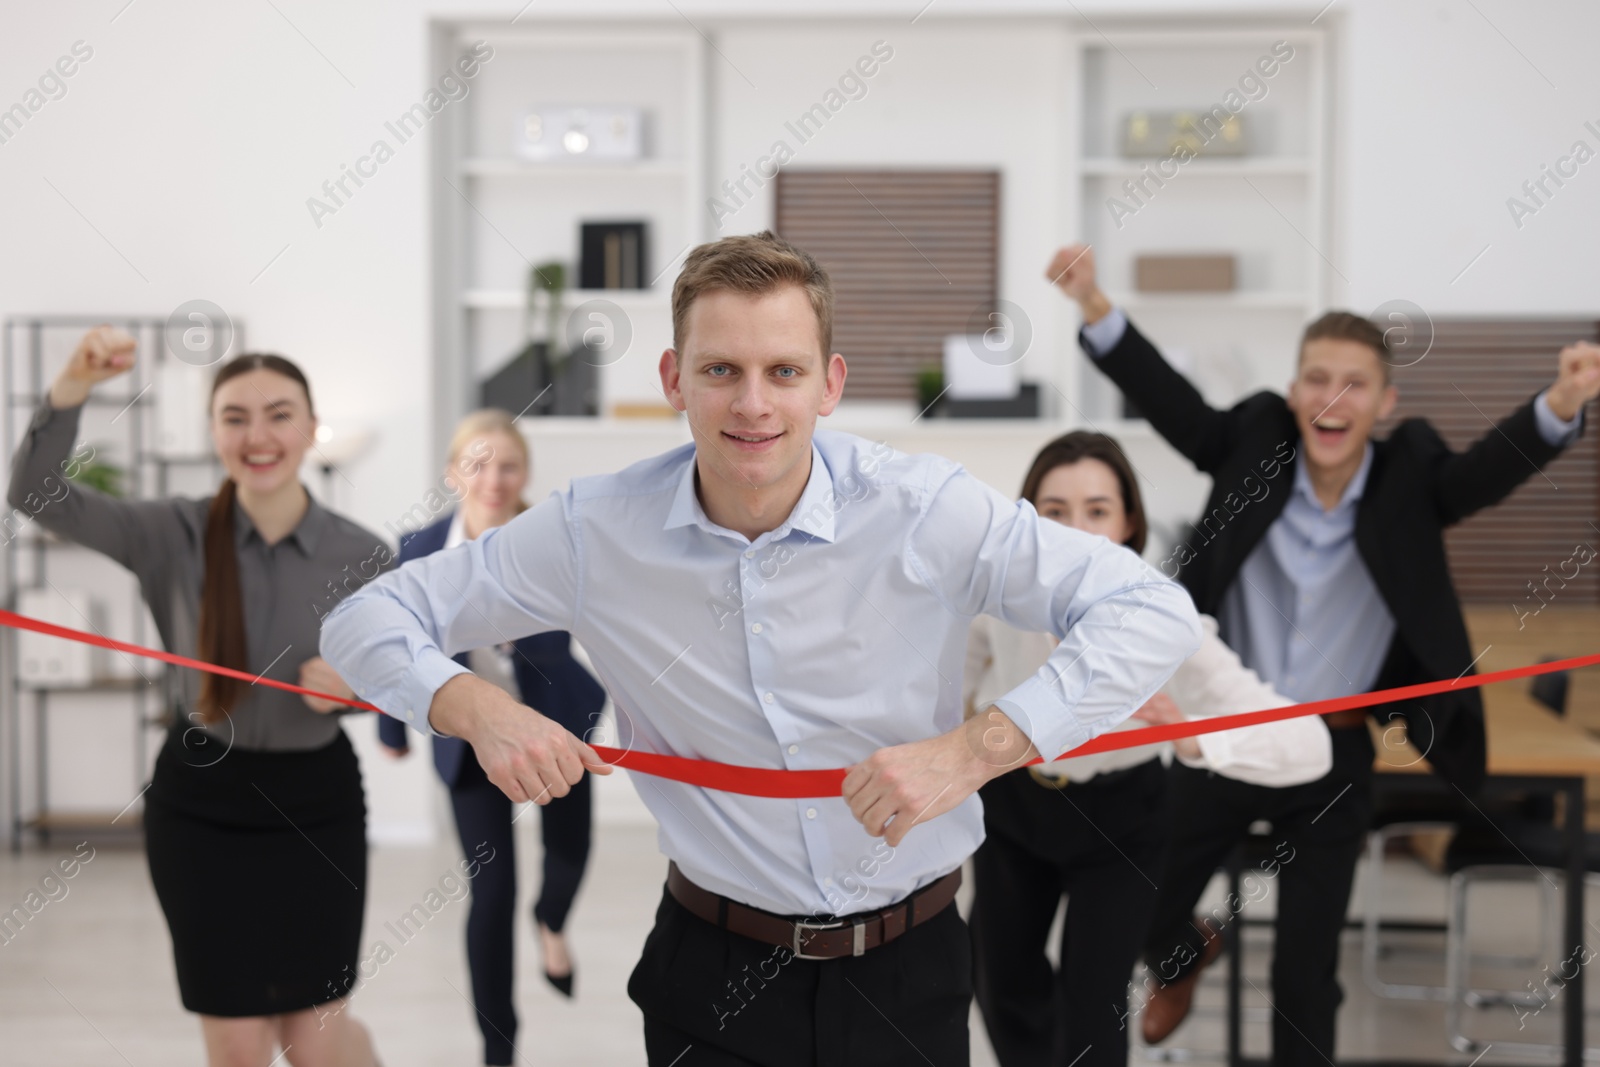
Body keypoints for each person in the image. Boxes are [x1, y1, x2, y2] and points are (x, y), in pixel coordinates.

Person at [321, 230, 1204, 1067]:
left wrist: (978, 748)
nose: (752, 403)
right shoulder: (594, 530)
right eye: (720, 370)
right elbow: (361, 620)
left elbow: (1151, 608)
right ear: (674, 377)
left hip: (913, 971)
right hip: (711, 976)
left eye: (783, 370)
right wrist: (471, 706)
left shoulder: (926, 508)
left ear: (830, 382)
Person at [1045, 243, 1600, 1066]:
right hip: (1225, 730)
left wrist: (1560, 400)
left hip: (1333, 750)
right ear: (1295, 388)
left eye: (1354, 384)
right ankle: (1187, 952)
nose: (1330, 399)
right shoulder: (1255, 443)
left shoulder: (1409, 476)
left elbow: (1486, 471)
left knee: (1306, 971)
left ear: (1383, 402)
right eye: (1315, 378)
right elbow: (1172, 403)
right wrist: (1093, 302)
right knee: (1147, 907)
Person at [6, 327, 386, 1067]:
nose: (258, 435)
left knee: (314, 1038)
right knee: (239, 1042)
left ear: (311, 429)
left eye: (279, 414)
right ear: (213, 432)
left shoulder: (366, 554)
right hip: (201, 805)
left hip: (318, 807)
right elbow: (34, 492)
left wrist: (358, 688)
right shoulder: (166, 531)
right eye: (235, 417)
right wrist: (74, 384)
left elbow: (408, 683)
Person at [965, 430, 1331, 1067]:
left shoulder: (1163, 622)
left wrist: (1194, 736)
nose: (1076, 531)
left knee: (1092, 1003)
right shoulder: (995, 606)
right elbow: (945, 692)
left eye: (1097, 510)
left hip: (1123, 821)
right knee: (1002, 985)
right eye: (1054, 511)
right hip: (1016, 808)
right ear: (1027, 519)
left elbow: (1310, 744)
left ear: (1129, 522)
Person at [376, 409, 607, 1065]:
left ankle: (553, 921)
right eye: (477, 463)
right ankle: (497, 1050)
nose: (494, 478)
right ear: (454, 473)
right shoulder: (419, 548)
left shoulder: (553, 539)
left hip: (553, 717)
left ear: (524, 471)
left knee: (568, 854)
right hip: (472, 739)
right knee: (490, 891)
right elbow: (398, 642)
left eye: (507, 464)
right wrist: (391, 724)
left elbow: (589, 627)